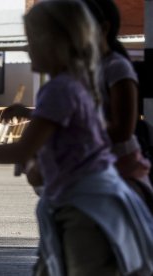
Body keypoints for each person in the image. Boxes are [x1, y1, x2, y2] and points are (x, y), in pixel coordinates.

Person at [0, 1, 153, 275]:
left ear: (60, 41)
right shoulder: (76, 84)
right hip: (86, 201)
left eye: (32, 39)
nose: (27, 47)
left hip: (84, 210)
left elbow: (22, 150)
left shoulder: (62, 88)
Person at [81, 0, 153, 210]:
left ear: (103, 28)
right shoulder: (85, 70)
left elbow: (122, 129)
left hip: (120, 170)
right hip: (94, 165)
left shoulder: (116, 68)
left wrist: (73, 134)